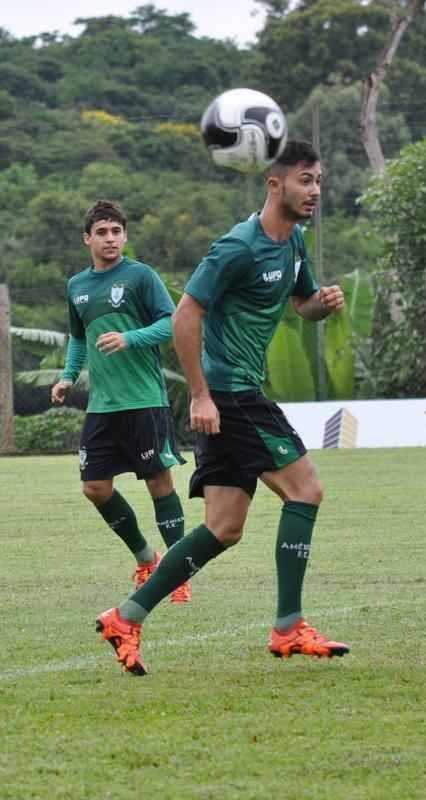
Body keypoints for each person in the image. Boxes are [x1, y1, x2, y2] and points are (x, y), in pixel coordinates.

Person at [95, 140, 350, 675]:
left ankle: (127, 615)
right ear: (274, 184)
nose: (317, 191)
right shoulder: (237, 246)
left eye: (320, 180)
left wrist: (320, 305)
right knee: (306, 490)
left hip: (236, 392)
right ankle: (288, 627)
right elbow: (187, 314)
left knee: (224, 526)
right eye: (306, 180)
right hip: (231, 393)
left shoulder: (295, 242)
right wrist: (202, 394)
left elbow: (300, 305)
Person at [51, 199, 190, 605]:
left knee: (158, 483)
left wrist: (131, 338)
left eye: (116, 232)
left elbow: (171, 323)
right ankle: (148, 559)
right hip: (102, 406)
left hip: (144, 400)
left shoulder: (141, 276)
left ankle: (179, 573)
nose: (110, 239)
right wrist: (66, 376)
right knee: (94, 488)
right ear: (87, 239)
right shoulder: (77, 287)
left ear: (125, 236)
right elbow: (79, 338)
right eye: (102, 232)